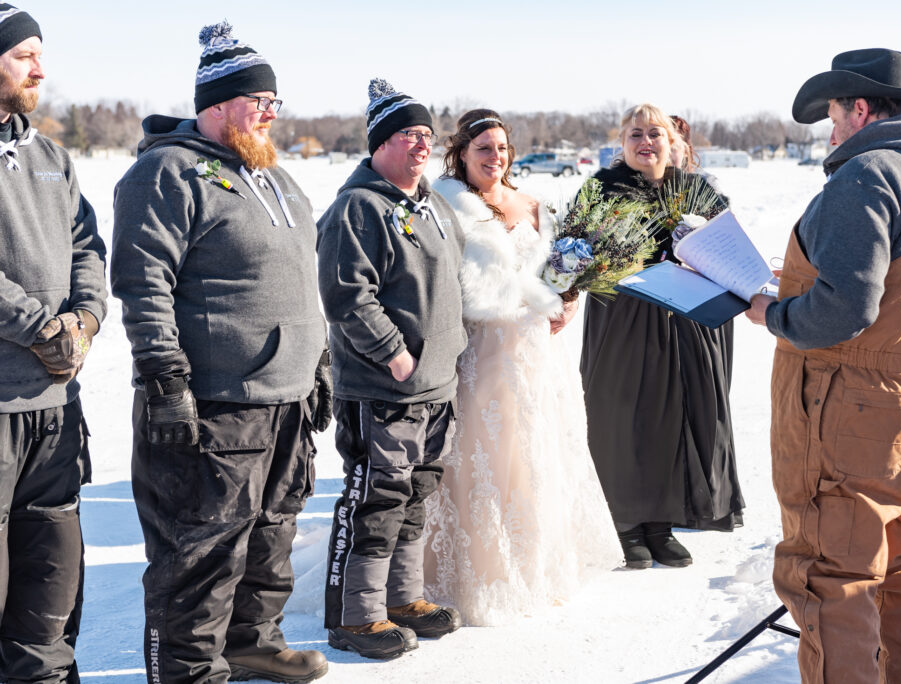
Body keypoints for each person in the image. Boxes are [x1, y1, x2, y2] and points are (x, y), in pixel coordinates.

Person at [745, 48, 901, 683]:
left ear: (860, 107)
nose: (829, 131)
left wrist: (771, 313)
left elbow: (843, 311)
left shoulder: (869, 173)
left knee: (835, 583)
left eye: (831, 114)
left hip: (856, 415)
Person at [110, 22, 330, 683]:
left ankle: (253, 642)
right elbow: (143, 284)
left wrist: (316, 364)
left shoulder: (278, 179)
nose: (270, 111)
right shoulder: (166, 173)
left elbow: (299, 280)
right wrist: (166, 382)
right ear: (217, 103)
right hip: (214, 403)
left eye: (274, 101)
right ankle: (188, 671)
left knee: (272, 536)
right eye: (258, 99)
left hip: (284, 399)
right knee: (200, 554)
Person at [421, 110, 621, 625]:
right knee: (490, 455)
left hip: (538, 352)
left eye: (502, 148)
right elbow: (451, 286)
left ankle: (539, 566)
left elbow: (556, 271)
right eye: (483, 148)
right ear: (461, 152)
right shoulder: (446, 204)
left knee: (538, 451)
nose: (495, 157)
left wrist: (568, 299)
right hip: (482, 351)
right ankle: (484, 574)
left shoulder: (533, 203)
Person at [317, 78, 466, 660]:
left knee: (415, 497)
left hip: (436, 387)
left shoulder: (431, 205)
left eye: (427, 133)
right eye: (408, 134)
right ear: (380, 143)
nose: (421, 144)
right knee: (375, 502)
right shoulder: (359, 207)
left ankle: (402, 600)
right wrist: (393, 352)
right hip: (385, 386)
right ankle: (357, 617)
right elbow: (346, 295)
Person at [580, 103, 743, 570]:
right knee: (621, 417)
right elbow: (571, 249)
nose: (645, 142)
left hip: (684, 316)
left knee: (673, 419)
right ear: (622, 142)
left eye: (655, 133)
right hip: (622, 318)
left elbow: (727, 245)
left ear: (673, 144)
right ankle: (625, 524)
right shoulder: (600, 189)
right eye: (635, 134)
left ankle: (660, 524)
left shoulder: (694, 189)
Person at [0, 5, 107, 681]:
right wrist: (41, 326)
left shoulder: (49, 157)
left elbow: (85, 246)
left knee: (53, 584)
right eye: (22, 54)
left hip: (55, 405)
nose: (40, 68)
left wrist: (85, 322)